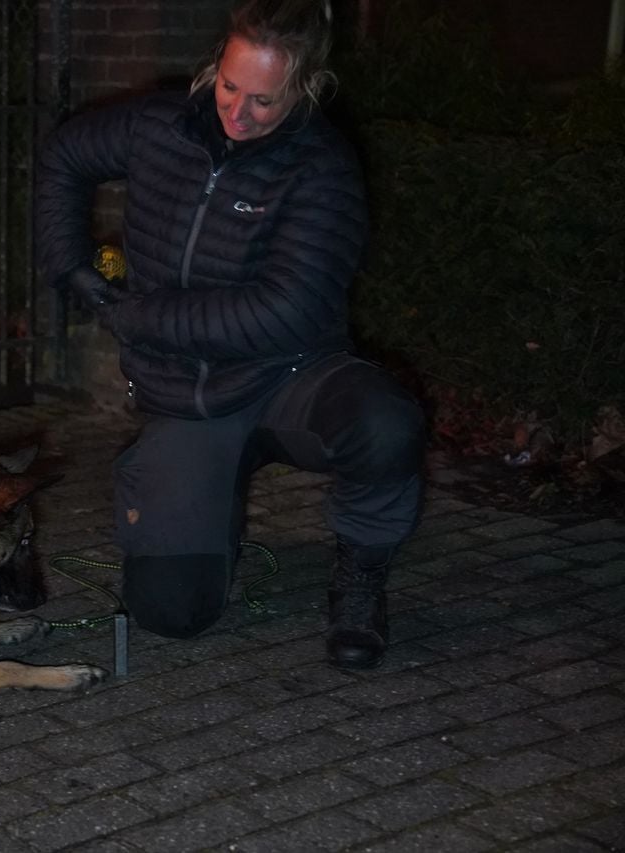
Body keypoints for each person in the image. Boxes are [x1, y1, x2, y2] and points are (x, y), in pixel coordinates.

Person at [34, 0, 426, 669]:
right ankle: (202, 490)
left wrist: (137, 317)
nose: (238, 114)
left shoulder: (323, 169)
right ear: (215, 65)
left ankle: (361, 576)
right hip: (187, 397)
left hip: (289, 378)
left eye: (265, 102)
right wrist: (71, 269)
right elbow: (65, 155)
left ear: (306, 89)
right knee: (171, 612)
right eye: (229, 87)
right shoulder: (156, 125)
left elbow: (283, 311)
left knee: (386, 423)